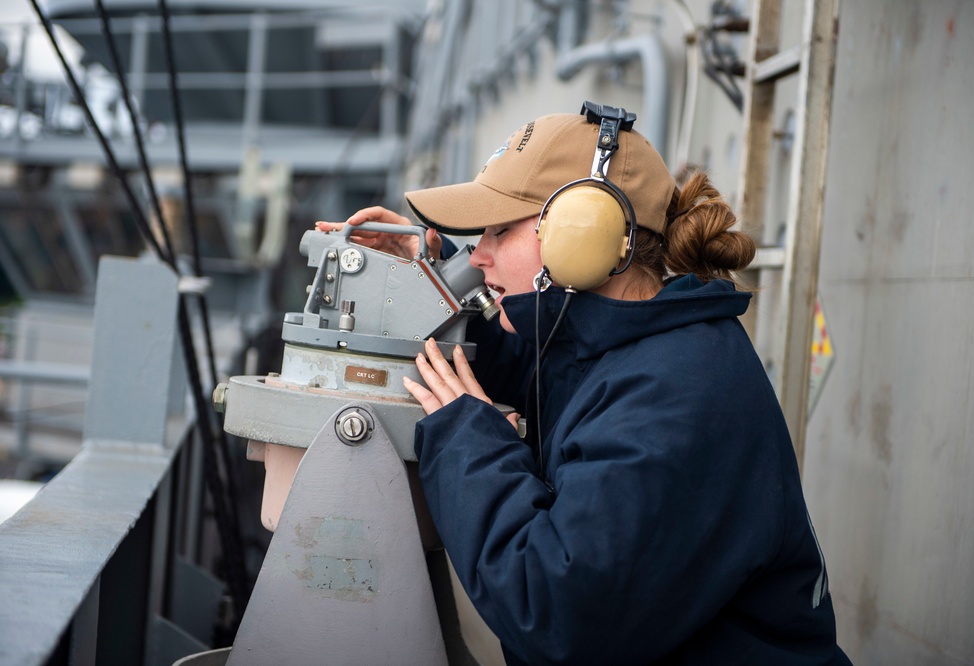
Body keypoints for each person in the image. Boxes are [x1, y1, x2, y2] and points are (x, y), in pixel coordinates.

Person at [318, 108, 851, 665]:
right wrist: (430, 282)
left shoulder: (677, 396)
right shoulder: (625, 347)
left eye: (500, 230)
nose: (478, 255)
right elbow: (539, 367)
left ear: (583, 231)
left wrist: (467, 443)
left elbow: (556, 611)